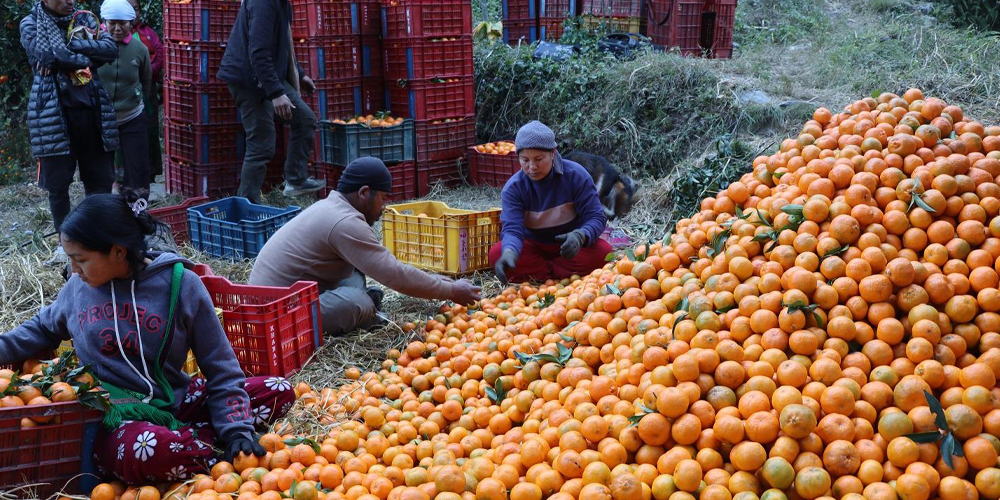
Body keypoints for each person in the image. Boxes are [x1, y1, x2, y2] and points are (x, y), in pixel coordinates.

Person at [0, 191, 294, 483]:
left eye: (81, 259)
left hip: (175, 399)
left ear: (118, 251)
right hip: (113, 416)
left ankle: (192, 438)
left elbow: (220, 365)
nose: (73, 269)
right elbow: (39, 330)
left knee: (278, 388)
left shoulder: (181, 285)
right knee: (151, 450)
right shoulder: (78, 289)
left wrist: (237, 430)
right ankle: (193, 443)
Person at [249, 157, 482, 336]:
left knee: (356, 271)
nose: (384, 206)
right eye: (383, 198)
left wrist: (438, 282)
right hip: (278, 312)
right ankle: (365, 305)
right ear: (364, 193)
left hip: (302, 290)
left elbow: (383, 264)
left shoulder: (333, 206)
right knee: (358, 303)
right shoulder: (344, 222)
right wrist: (450, 291)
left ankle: (362, 302)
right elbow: (393, 274)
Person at [21, 0, 119, 257]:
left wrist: (69, 48)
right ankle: (66, 245)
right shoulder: (31, 23)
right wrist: (88, 57)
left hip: (92, 112)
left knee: (99, 180)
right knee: (58, 185)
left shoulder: (85, 18)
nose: (70, 2)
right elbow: (48, 56)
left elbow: (110, 50)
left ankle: (96, 238)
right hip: (53, 116)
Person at [218, 0, 325, 203]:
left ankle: (295, 180)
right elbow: (258, 52)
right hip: (248, 80)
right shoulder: (263, 3)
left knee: (305, 119)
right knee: (261, 144)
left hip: (266, 73)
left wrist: (299, 74)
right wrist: (276, 93)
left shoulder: (282, 3)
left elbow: (281, 45)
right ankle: (246, 206)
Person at [489, 121, 612, 283]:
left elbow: (596, 217)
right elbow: (512, 230)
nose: (532, 167)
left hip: (570, 246)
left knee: (604, 252)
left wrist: (580, 236)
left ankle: (543, 274)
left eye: (539, 159)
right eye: (525, 160)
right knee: (497, 253)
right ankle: (559, 273)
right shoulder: (514, 188)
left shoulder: (576, 176)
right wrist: (510, 252)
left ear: (553, 153)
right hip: (533, 246)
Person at [97, 0, 152, 198]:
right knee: (100, 170)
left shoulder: (139, 50)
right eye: (112, 23)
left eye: (123, 23)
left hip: (132, 117)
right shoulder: (94, 46)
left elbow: (146, 81)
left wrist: (135, 99)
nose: (118, 28)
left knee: (137, 169)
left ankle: (137, 208)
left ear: (131, 23)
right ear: (105, 22)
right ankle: (104, 208)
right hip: (101, 119)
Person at [126, 0, 163, 184]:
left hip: (147, 88)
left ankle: (150, 172)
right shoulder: (111, 33)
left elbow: (160, 55)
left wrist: (147, 72)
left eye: (137, 9)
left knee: (149, 130)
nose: (134, 13)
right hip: (125, 91)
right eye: (130, 9)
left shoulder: (147, 33)